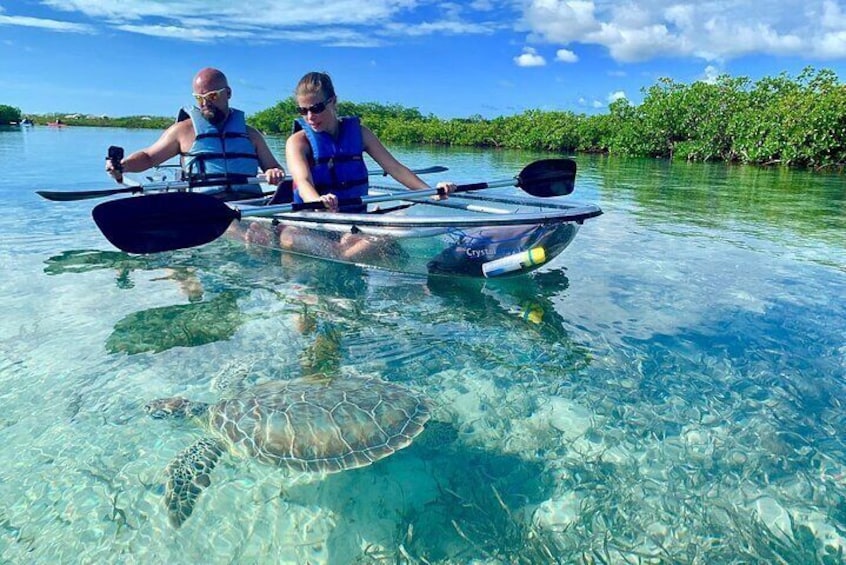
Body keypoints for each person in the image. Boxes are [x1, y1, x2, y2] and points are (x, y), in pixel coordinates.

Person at [282, 71, 456, 258]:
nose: (310, 117)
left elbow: (395, 168)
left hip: (353, 219)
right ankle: (347, 253)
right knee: (289, 237)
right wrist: (319, 201)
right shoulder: (297, 142)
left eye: (316, 108)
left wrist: (431, 192)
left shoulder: (361, 133)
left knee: (398, 222)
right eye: (303, 110)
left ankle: (348, 252)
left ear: (333, 101)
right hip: (312, 221)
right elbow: (303, 182)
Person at [105, 67, 286, 200]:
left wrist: (274, 172)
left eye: (212, 96)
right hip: (204, 205)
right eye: (199, 98)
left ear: (228, 93)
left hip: (250, 203)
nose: (205, 103)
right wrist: (122, 166)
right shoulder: (182, 131)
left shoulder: (250, 134)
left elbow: (274, 167)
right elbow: (149, 157)